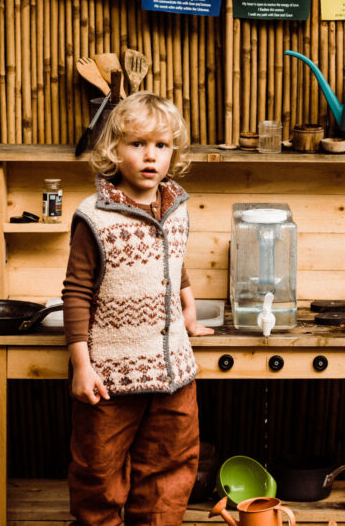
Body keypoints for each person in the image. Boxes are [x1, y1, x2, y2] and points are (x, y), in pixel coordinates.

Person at [62, 91, 214, 526]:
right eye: (137, 144)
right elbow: (76, 291)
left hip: (173, 375)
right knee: (99, 474)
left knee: (169, 473)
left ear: (173, 152)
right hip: (111, 376)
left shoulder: (176, 206)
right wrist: (82, 366)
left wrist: (188, 312)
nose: (151, 156)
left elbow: (175, 260)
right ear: (114, 149)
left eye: (161, 145)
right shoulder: (95, 216)